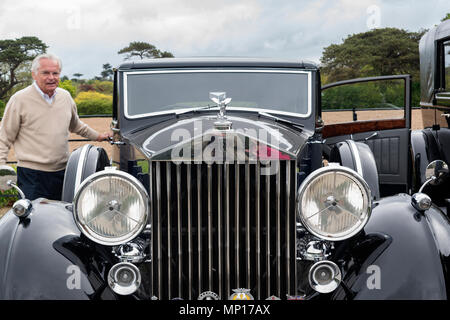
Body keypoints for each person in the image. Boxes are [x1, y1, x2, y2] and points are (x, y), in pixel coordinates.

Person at [0, 53, 111, 201]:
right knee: (34, 221)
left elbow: (76, 125)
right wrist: (1, 171)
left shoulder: (65, 97)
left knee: (63, 218)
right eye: (45, 73)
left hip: (63, 173)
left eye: (55, 73)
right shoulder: (19, 99)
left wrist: (99, 136)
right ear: (34, 74)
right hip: (31, 176)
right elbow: (4, 136)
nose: (51, 77)